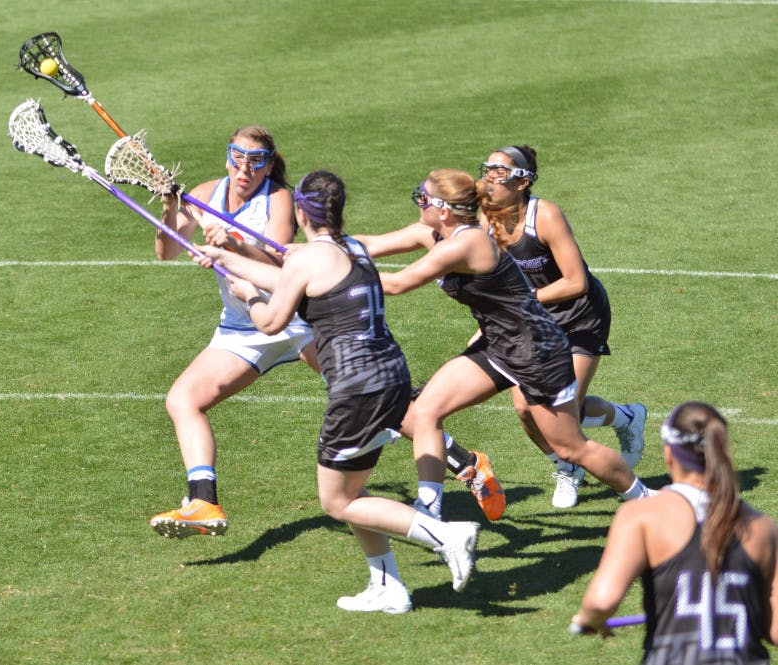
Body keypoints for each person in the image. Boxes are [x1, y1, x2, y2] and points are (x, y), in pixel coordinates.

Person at [194, 170, 480, 612]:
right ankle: (387, 586)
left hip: (356, 390)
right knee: (354, 490)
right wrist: (222, 256)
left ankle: (444, 535)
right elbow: (289, 276)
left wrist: (249, 296)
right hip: (390, 377)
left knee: (337, 500)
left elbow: (270, 320)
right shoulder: (353, 249)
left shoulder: (309, 259)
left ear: (301, 214)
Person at [355, 169, 653, 520]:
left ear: (443, 210)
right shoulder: (432, 233)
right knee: (425, 411)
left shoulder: (468, 243)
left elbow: (397, 284)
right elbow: (368, 244)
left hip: (536, 351)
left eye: (423, 198)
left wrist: (332, 274)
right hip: (497, 345)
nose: (418, 203)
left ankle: (646, 499)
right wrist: (318, 247)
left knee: (571, 447)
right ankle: (430, 509)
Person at [148, 126, 320, 538]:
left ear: (269, 165)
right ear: (227, 157)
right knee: (183, 399)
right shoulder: (204, 194)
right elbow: (167, 251)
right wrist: (170, 207)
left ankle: (459, 459)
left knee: (364, 391)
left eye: (255, 162)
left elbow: (279, 262)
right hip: (243, 326)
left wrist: (233, 243)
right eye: (237, 158)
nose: (244, 170)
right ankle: (203, 502)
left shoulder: (279, 198)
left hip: (293, 315)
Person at [478, 145, 647, 508]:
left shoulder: (545, 216)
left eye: (500, 170)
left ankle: (626, 417)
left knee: (565, 411)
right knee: (526, 409)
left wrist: (520, 304)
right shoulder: (485, 221)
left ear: (523, 182)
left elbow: (576, 282)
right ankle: (565, 466)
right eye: (487, 168)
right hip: (534, 321)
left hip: (580, 317)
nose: (489, 177)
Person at [572, 402, 778, 663]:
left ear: (669, 454)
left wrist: (588, 619)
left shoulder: (642, 516)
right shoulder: (763, 528)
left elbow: (601, 602)